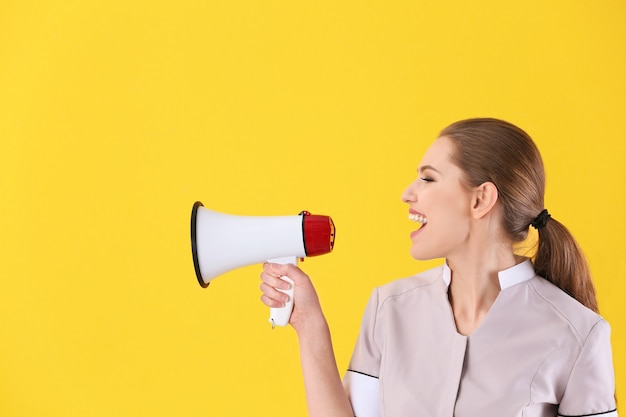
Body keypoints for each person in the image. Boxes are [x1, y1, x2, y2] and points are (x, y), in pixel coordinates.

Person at [259, 118, 618, 417]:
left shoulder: (578, 334)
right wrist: (309, 324)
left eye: (428, 178)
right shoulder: (389, 308)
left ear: (481, 199)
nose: (407, 193)